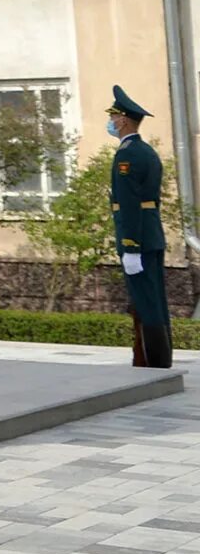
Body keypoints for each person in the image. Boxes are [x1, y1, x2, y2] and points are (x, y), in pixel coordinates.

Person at [107, 86, 175, 369]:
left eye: (113, 116)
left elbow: (130, 202)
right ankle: (159, 357)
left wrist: (130, 246)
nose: (110, 122)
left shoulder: (127, 155)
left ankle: (151, 360)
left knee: (145, 301)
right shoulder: (145, 151)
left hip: (138, 238)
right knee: (154, 298)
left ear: (123, 120)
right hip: (152, 234)